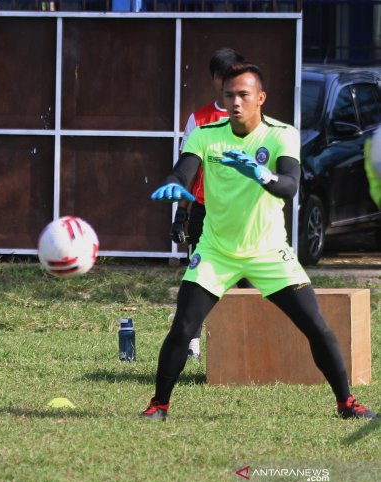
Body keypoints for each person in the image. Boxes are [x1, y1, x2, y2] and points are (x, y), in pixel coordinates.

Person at [143, 62, 376, 421]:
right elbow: (185, 168)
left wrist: (261, 174)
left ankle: (347, 403)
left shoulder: (281, 134)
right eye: (229, 95)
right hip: (216, 251)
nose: (235, 102)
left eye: (243, 95)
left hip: (269, 252)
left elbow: (290, 186)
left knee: (315, 325)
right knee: (183, 327)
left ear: (260, 98)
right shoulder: (206, 135)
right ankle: (159, 405)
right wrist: (177, 182)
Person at [172, 47, 247, 361]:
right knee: (200, 279)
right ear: (216, 79)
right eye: (226, 75)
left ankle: (245, 344)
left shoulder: (254, 119)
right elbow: (187, 172)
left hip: (243, 215)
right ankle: (193, 344)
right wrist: (180, 215)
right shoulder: (199, 120)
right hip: (205, 213)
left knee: (246, 281)